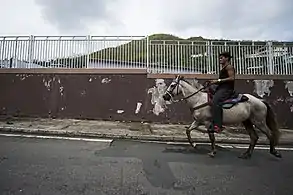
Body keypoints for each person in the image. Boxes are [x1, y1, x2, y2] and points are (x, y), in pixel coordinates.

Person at [209, 51, 235, 133]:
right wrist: (214, 82)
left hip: (227, 89)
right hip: (221, 87)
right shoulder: (223, 68)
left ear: (227, 58)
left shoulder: (229, 67)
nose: (220, 59)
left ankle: (218, 125)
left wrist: (218, 80)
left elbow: (232, 78)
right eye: (219, 58)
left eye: (222, 58)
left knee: (215, 101)